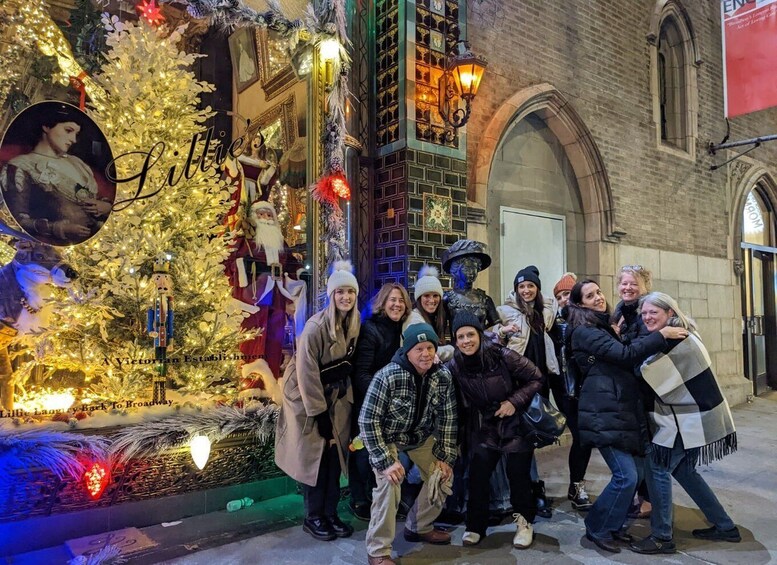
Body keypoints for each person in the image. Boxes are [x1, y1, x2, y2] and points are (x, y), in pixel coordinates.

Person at [566, 279, 687, 553]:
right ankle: (597, 527)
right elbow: (624, 355)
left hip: (617, 410)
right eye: (589, 296)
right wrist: (662, 335)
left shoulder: (602, 327)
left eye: (598, 292)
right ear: (579, 304)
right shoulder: (584, 331)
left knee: (636, 472)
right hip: (602, 411)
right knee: (626, 476)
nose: (598, 297)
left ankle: (611, 526)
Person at [629, 292, 740, 554]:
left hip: (688, 418)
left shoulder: (676, 339)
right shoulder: (680, 333)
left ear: (670, 312)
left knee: (657, 468)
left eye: (653, 312)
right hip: (691, 416)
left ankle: (662, 537)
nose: (647, 317)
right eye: (644, 313)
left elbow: (646, 372)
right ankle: (725, 526)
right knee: (684, 471)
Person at [274, 261, 360, 542]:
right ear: (331, 295)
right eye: (340, 292)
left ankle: (330, 513)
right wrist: (319, 414)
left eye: (350, 292)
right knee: (315, 460)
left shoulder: (354, 323)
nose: (346, 297)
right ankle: (313, 517)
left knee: (335, 458)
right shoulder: (315, 327)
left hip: (336, 397)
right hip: (307, 399)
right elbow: (306, 373)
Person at [359, 323, 458, 565]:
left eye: (430, 348)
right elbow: (368, 420)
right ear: (407, 351)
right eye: (419, 349)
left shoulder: (442, 376)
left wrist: (445, 457)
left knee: (442, 475)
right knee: (390, 483)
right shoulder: (388, 375)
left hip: (419, 437)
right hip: (387, 438)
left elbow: (448, 418)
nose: (425, 354)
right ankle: (378, 551)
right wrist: (385, 461)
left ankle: (419, 526)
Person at [445, 311, 543, 549]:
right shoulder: (456, 364)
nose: (466, 341)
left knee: (518, 475)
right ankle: (475, 526)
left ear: (479, 334)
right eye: (461, 337)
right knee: (477, 475)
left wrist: (513, 402)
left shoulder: (501, 354)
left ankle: (524, 524)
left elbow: (536, 377)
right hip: (486, 425)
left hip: (515, 423)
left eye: (470, 334)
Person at [493, 265, 560, 518]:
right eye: (521, 286)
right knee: (521, 438)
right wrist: (502, 331)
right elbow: (489, 336)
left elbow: (553, 303)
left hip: (541, 381)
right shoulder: (505, 311)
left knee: (534, 435)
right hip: (518, 383)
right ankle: (529, 490)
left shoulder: (544, 313)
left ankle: (531, 488)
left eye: (530, 285)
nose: (526, 290)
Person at [0, 103, 111, 246]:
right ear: (47, 127)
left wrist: (105, 206)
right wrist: (57, 228)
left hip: (103, 238)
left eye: (76, 134)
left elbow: (93, 197)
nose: (73, 139)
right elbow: (18, 220)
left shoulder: (77, 163)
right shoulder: (20, 166)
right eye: (68, 130)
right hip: (58, 248)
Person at [349, 283, 412, 521]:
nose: (397, 304)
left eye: (401, 300)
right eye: (392, 300)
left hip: (391, 403)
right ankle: (359, 498)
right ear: (382, 303)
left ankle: (383, 496)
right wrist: (382, 396)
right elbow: (361, 373)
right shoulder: (371, 329)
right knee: (363, 451)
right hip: (369, 401)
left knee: (387, 451)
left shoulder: (402, 330)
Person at [227, 200, 304, 383]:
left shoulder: (279, 242)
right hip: (253, 296)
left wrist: (300, 273)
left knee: (274, 339)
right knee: (251, 338)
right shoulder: (244, 240)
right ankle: (250, 385)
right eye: (261, 214)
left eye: (269, 215)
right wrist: (243, 273)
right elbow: (229, 262)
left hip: (276, 296)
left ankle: (270, 384)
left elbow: (291, 262)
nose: (266, 218)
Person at [611, 264, 654, 518]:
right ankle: (639, 496)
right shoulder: (620, 310)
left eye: (633, 283)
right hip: (627, 387)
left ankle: (648, 500)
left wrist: (620, 342)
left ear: (645, 286)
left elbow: (642, 346)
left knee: (644, 445)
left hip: (643, 387)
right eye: (624, 283)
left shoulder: (646, 310)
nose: (627, 288)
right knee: (633, 445)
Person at [549, 272, 593, 511]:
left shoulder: (587, 319)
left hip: (588, 387)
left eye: (567, 294)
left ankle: (577, 485)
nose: (563, 299)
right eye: (559, 296)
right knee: (581, 436)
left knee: (586, 438)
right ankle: (577, 486)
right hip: (565, 389)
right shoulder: (554, 323)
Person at [404, 265, 454, 362]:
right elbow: (426, 352)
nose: (432, 300)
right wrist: (453, 350)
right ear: (419, 298)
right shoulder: (414, 319)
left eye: (435, 295)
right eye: (426, 296)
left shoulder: (435, 317)